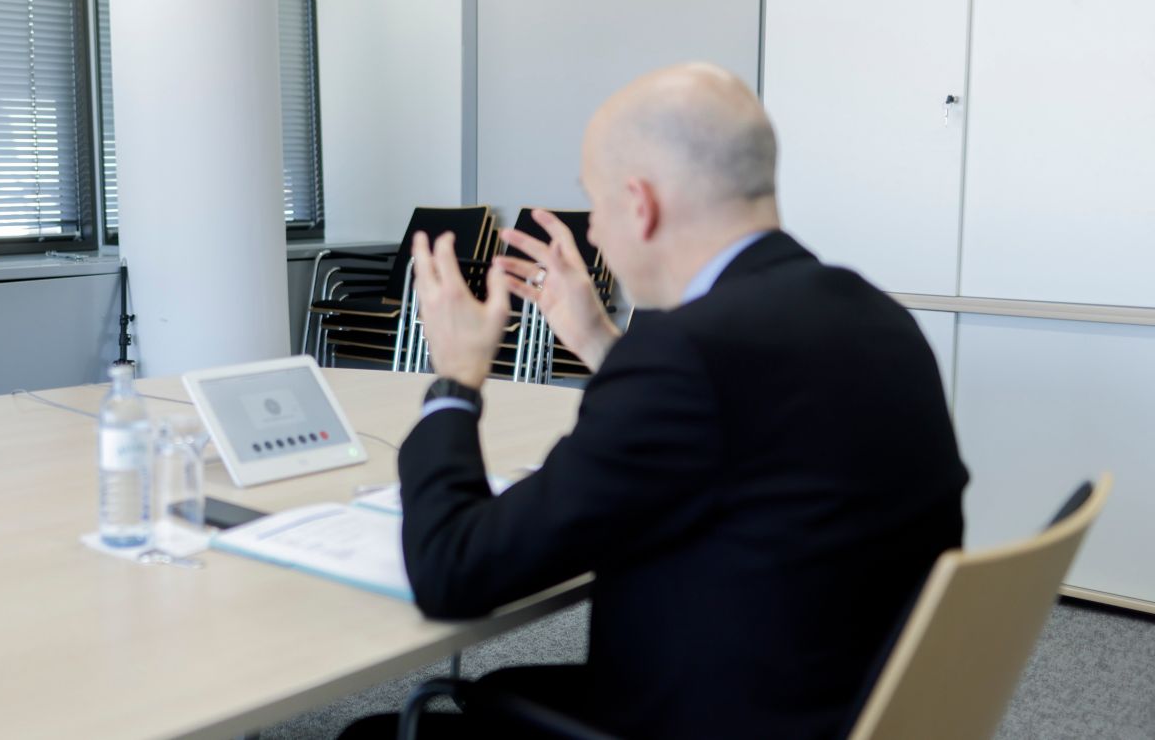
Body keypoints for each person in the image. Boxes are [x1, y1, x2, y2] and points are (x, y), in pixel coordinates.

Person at [345, 64, 968, 740]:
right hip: (837, 699)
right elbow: (733, 430)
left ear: (639, 205)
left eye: (595, 205)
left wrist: (456, 384)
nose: (599, 236)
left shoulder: (687, 355)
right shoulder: (875, 316)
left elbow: (454, 570)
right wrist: (597, 340)